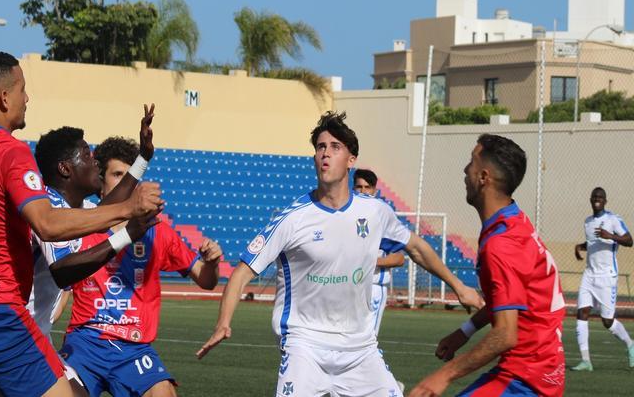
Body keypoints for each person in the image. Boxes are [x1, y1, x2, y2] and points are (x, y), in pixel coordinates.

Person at [0, 52, 163, 397]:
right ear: (5, 98)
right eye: (22, 89)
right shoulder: (12, 152)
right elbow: (48, 224)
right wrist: (130, 211)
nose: (26, 98)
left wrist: (136, 175)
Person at [197, 111, 483, 397]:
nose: (325, 154)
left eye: (335, 147)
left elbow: (417, 248)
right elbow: (242, 272)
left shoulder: (375, 212)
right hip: (304, 345)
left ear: (351, 160)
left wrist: (458, 286)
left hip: (360, 348)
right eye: (321, 147)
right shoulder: (292, 218)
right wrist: (223, 323)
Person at [53, 134, 222, 397]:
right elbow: (61, 287)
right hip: (85, 343)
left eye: (131, 176)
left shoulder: (158, 232)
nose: (128, 184)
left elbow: (207, 280)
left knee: (163, 392)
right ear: (100, 181)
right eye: (118, 175)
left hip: (134, 348)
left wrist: (212, 263)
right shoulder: (83, 227)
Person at [410, 134, 566, 397]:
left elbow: (506, 334)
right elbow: (510, 297)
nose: (464, 170)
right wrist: (464, 331)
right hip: (542, 372)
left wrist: (442, 376)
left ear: (483, 177)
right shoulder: (515, 221)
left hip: (525, 379)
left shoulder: (500, 245)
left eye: (471, 162)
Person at [28, 107, 159, 397]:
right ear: (65, 169)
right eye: (87, 156)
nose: (96, 162)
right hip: (15, 337)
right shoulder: (49, 208)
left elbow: (106, 209)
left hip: (34, 336)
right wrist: (127, 234)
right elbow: (64, 272)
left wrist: (144, 158)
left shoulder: (75, 209)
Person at [570, 187, 634, 371]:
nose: (597, 199)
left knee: (607, 321)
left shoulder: (613, 220)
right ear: (590, 200)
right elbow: (592, 243)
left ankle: (630, 344)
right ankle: (586, 361)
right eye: (594, 197)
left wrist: (610, 236)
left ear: (605, 201)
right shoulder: (588, 222)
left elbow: (629, 241)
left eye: (600, 197)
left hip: (607, 277)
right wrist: (579, 247)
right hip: (589, 275)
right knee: (582, 313)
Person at [354, 168, 405, 336]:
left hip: (374, 287)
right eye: (359, 187)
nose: (363, 192)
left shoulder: (383, 217)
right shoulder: (345, 215)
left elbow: (399, 258)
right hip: (347, 286)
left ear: (374, 191)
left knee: (368, 340)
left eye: (367, 187)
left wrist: (370, 261)